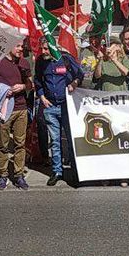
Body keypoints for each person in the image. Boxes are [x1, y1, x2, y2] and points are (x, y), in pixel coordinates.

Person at [35, 38, 85, 186]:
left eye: (46, 49)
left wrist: (74, 83)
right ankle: (57, 171)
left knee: (70, 139)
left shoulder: (66, 58)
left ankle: (75, 171)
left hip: (67, 106)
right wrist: (42, 97)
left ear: (52, 47)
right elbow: (38, 80)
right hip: (50, 105)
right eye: (42, 49)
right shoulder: (40, 61)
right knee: (55, 141)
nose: (43, 52)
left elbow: (79, 74)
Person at [0, 42, 32, 190]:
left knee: (20, 144)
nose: (20, 49)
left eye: (21, 47)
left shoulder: (24, 63)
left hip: (21, 108)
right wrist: (3, 90)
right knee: (3, 144)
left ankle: (19, 175)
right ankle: (3, 175)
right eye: (17, 46)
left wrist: (24, 86)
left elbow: (31, 83)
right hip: (5, 109)